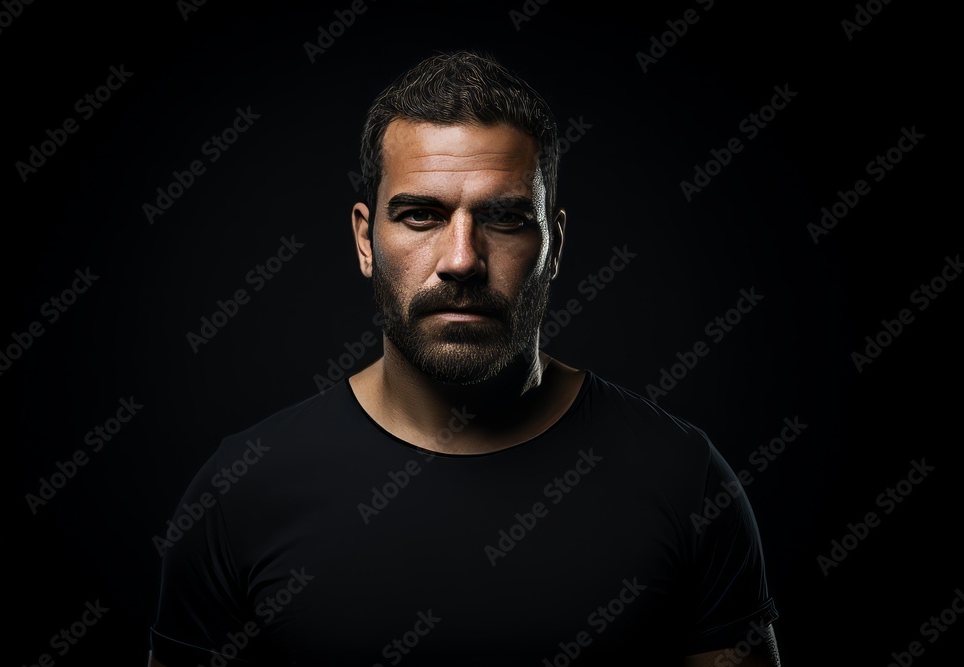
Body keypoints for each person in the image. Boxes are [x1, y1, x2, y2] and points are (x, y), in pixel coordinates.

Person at [148, 50, 781, 666]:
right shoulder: (241, 491)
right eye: (421, 215)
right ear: (365, 240)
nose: (461, 260)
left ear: (555, 246)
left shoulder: (683, 478)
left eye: (503, 218)